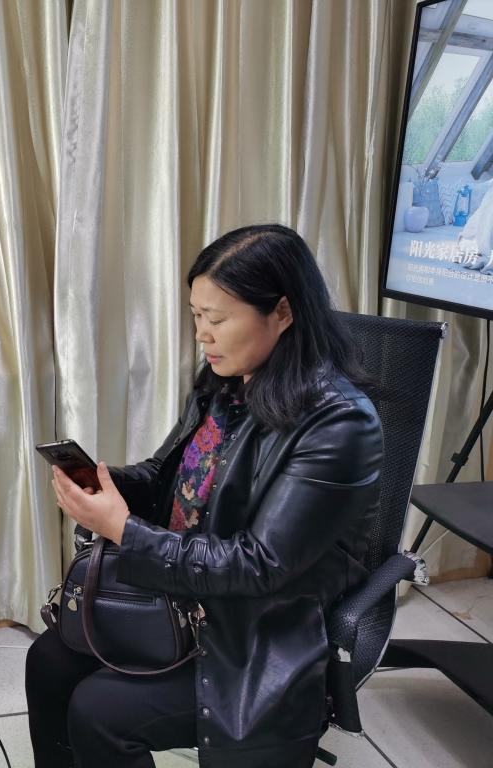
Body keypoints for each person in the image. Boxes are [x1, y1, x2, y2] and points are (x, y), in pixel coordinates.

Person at [26, 224, 383, 768]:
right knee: (48, 662)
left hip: (259, 631)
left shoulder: (339, 424)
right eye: (196, 316)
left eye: (217, 319)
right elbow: (167, 478)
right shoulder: (225, 382)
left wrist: (122, 528)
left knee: (99, 710)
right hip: (189, 596)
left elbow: (260, 565)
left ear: (283, 312)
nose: (202, 335)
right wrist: (106, 483)